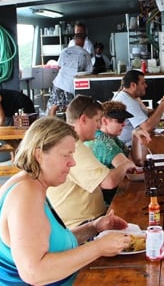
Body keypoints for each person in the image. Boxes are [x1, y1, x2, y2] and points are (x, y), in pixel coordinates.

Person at [0, 116, 132, 285]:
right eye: (66, 155)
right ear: (39, 155)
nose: (72, 163)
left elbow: (48, 243)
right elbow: (34, 273)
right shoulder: (25, 195)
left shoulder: (31, 185)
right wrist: (98, 247)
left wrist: (94, 227)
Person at [46, 95, 135, 228]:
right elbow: (108, 182)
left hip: (91, 219)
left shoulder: (72, 142)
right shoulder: (74, 146)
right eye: (97, 120)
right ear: (83, 119)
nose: (99, 126)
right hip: (80, 226)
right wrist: (125, 165)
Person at [84, 101, 141, 203]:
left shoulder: (111, 137)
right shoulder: (103, 141)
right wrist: (128, 165)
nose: (124, 124)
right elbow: (130, 168)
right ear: (105, 121)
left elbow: (132, 161)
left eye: (124, 120)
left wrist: (134, 135)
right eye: (119, 120)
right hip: (107, 199)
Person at [112, 70, 164, 147]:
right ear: (133, 85)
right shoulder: (126, 100)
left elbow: (146, 115)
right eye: (143, 83)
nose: (146, 86)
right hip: (129, 146)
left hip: (140, 140)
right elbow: (147, 127)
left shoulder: (132, 96)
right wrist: (162, 106)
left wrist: (162, 106)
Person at [47, 27, 93, 116]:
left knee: (54, 106)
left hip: (59, 82)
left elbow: (59, 66)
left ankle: (50, 126)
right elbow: (88, 72)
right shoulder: (85, 54)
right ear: (84, 42)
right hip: (71, 85)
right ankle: (68, 128)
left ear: (74, 40)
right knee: (70, 108)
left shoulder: (64, 51)